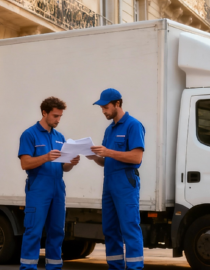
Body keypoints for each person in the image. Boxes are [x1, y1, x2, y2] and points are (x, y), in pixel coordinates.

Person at [18, 97, 81, 270]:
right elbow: (25, 164)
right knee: (34, 232)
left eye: (60, 116)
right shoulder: (29, 134)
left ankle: (54, 267)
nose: (58, 120)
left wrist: (71, 163)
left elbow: (64, 168)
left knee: (57, 232)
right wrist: (46, 157)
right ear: (44, 113)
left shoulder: (60, 137)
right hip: (38, 188)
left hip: (58, 188)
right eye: (55, 116)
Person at [87, 88, 146, 270]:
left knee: (129, 227)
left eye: (106, 107)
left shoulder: (133, 125)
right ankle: (115, 267)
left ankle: (135, 268)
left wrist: (108, 152)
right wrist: (95, 157)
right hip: (109, 184)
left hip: (125, 183)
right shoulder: (109, 130)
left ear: (118, 104)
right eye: (102, 108)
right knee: (110, 230)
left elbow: (137, 158)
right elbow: (107, 161)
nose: (104, 111)